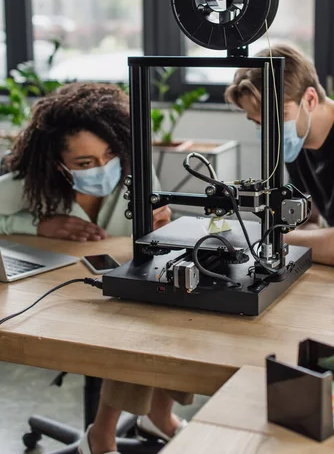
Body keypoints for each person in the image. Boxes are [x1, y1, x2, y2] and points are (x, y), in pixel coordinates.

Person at [0, 83, 191, 454]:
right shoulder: (31, 184)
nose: (102, 169)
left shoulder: (134, 173)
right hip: (57, 298)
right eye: (85, 164)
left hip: (120, 287)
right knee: (139, 325)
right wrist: (36, 225)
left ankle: (158, 416)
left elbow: (154, 233)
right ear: (58, 164)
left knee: (170, 309)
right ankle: (102, 437)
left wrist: (164, 227)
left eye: (109, 155)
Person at [225, 43, 334, 271]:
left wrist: (264, 237)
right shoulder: (296, 142)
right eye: (258, 122)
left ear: (309, 99)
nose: (270, 131)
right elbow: (306, 222)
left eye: (278, 117)